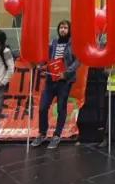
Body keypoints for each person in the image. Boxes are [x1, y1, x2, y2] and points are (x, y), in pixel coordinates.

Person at [31, 20, 80, 149]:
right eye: (61, 27)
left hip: (64, 81)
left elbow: (77, 61)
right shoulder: (53, 43)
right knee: (42, 107)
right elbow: (46, 57)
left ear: (69, 30)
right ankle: (42, 133)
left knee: (61, 108)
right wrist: (41, 65)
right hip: (50, 80)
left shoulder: (73, 44)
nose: (62, 30)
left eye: (65, 27)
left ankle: (57, 135)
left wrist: (66, 73)